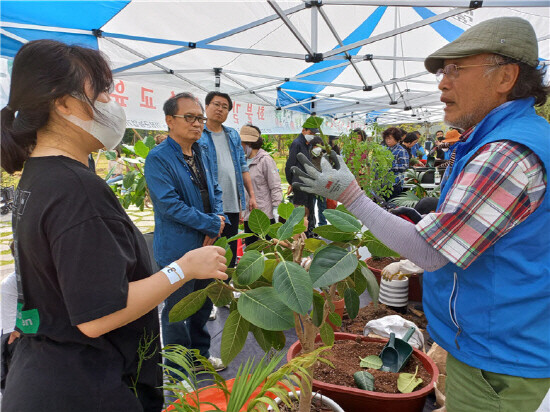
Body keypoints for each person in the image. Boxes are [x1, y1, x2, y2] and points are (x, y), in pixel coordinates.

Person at [292, 16, 549, 412]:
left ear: (506, 76)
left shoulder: (504, 154)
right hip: (508, 338)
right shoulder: (518, 139)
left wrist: (354, 197)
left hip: (497, 357)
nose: (442, 82)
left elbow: (431, 252)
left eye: (455, 70)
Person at [0, 40, 228, 411]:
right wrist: (183, 269)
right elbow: (98, 315)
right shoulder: (76, 189)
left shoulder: (40, 177)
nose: (111, 102)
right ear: (64, 103)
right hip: (85, 385)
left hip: (48, 372)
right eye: (102, 91)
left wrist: (28, 322)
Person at [144, 92, 228, 375]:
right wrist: (210, 224)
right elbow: (169, 205)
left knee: (203, 304)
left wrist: (217, 221)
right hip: (177, 248)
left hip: (206, 243)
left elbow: (215, 189)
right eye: (189, 117)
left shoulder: (202, 150)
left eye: (199, 118)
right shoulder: (158, 158)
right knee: (177, 310)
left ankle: (199, 356)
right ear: (169, 120)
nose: (197, 123)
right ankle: (177, 369)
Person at [199, 91, 257, 268]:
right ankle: (210, 290)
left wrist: (251, 195)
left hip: (232, 204)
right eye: (216, 104)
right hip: (209, 205)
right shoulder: (198, 133)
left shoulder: (232, 134)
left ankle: (226, 289)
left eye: (225, 107)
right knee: (209, 251)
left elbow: (243, 166)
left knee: (229, 252)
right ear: (207, 107)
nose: (220, 109)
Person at [240, 124, 282, 245]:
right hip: (250, 214)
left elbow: (275, 186)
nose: (240, 146)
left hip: (265, 214)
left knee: (269, 247)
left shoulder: (265, 160)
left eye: (242, 143)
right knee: (251, 248)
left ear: (249, 143)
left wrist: (276, 208)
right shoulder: (243, 161)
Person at [284, 116, 322, 236]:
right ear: (303, 130)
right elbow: (290, 164)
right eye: (310, 132)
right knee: (302, 210)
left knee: (310, 208)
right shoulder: (297, 144)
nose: (312, 135)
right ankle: (302, 235)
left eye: (314, 133)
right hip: (299, 183)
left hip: (308, 183)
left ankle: (310, 231)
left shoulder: (308, 144)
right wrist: (292, 182)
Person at [381, 127, 409, 200]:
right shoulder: (384, 150)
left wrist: (390, 166)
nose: (388, 141)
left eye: (390, 139)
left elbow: (404, 166)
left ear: (397, 139)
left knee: (393, 205)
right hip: (384, 183)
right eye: (386, 139)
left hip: (395, 184)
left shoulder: (401, 151)